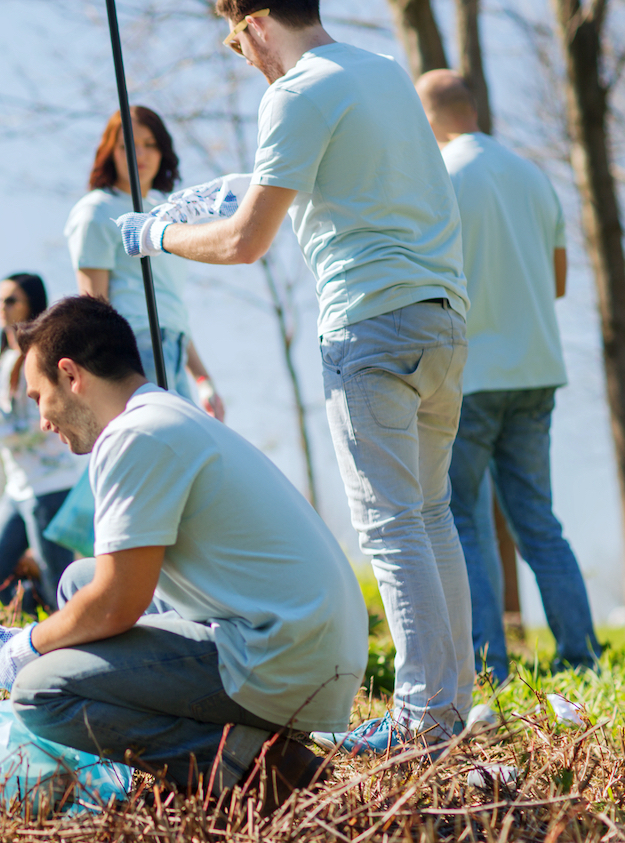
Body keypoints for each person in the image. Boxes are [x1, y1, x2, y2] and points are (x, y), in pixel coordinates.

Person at [114, 0, 472, 752]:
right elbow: (358, 178)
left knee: (392, 524)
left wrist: (159, 234)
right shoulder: (381, 72)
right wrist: (251, 177)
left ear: (254, 23)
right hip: (441, 319)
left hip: (368, 326)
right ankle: (446, 711)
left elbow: (246, 243)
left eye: (234, 38)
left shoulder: (296, 91)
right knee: (431, 515)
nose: (243, 58)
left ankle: (421, 724)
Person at [0, 296, 366, 810]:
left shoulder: (135, 437)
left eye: (38, 397)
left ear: (71, 375)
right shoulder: (164, 416)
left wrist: (28, 645)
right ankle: (234, 745)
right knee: (78, 581)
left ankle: (255, 765)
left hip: (283, 659)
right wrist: (49, 638)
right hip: (302, 642)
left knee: (40, 692)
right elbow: (104, 591)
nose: (42, 420)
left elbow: (117, 604)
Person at [415, 70, 601, 685]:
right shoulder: (533, 175)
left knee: (461, 517)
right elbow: (557, 283)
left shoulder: (440, 177)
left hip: (472, 374)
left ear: (432, 116)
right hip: (538, 371)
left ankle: (490, 666)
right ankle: (582, 656)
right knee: (538, 520)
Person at [66, 107, 225, 418]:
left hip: (173, 348)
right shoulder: (97, 211)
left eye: (150, 144)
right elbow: (93, 307)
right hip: (135, 348)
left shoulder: (164, 215)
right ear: (110, 152)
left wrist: (203, 378)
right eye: (127, 145)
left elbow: (170, 307)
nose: (140, 154)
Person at [0, 273, 85, 612]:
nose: (1, 308)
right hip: (17, 486)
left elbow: (43, 421)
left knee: (59, 583)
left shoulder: (43, 356)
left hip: (51, 483)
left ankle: (72, 644)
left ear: (30, 305)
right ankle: (37, 634)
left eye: (11, 300)